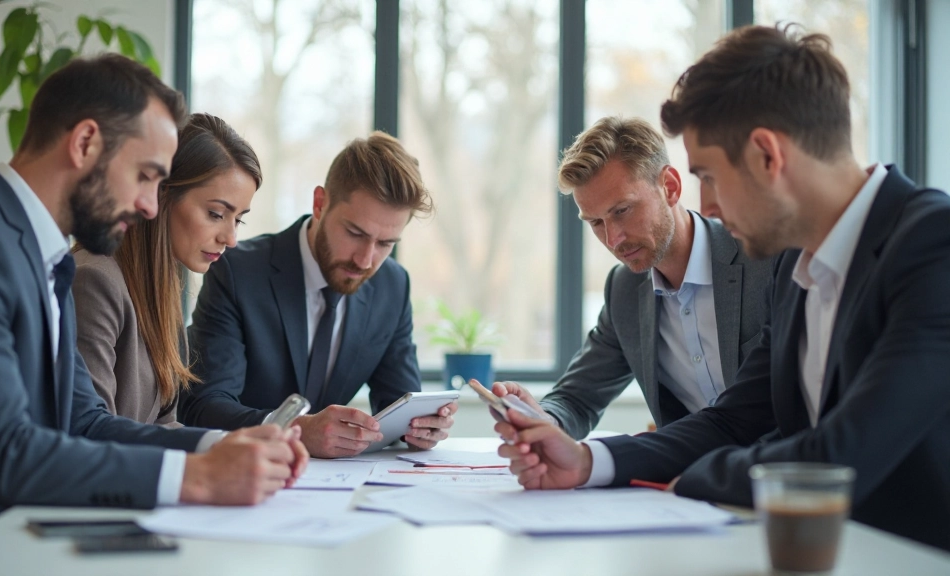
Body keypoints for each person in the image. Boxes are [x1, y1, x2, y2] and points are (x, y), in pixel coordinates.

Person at [494, 24, 950, 552]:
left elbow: (839, 455)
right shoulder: (797, 265)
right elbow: (734, 420)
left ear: (767, 156)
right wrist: (588, 461)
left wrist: (687, 482)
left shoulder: (932, 244)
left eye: (709, 176)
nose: (706, 205)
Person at [0, 55, 307, 547]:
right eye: (145, 175)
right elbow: (4, 451)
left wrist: (221, 444)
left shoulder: (42, 255)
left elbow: (85, 423)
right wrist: (199, 477)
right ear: (85, 143)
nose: (150, 205)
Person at [181, 132, 458, 458]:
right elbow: (204, 406)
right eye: (355, 233)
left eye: (385, 244)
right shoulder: (237, 271)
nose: (365, 260)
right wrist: (293, 429)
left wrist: (422, 427)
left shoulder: (392, 286)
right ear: (319, 204)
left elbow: (398, 402)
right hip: (244, 469)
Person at [492, 116, 773, 438]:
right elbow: (577, 398)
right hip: (688, 467)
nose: (613, 239)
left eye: (622, 210)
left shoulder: (763, 259)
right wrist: (541, 419)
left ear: (670, 187)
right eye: (596, 222)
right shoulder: (624, 290)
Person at [72, 113, 261, 426]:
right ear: (161, 194)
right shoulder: (94, 281)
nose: (230, 238)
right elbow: (91, 431)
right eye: (216, 214)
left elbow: (164, 425)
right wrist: (220, 443)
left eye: (238, 219)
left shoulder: (161, 288)